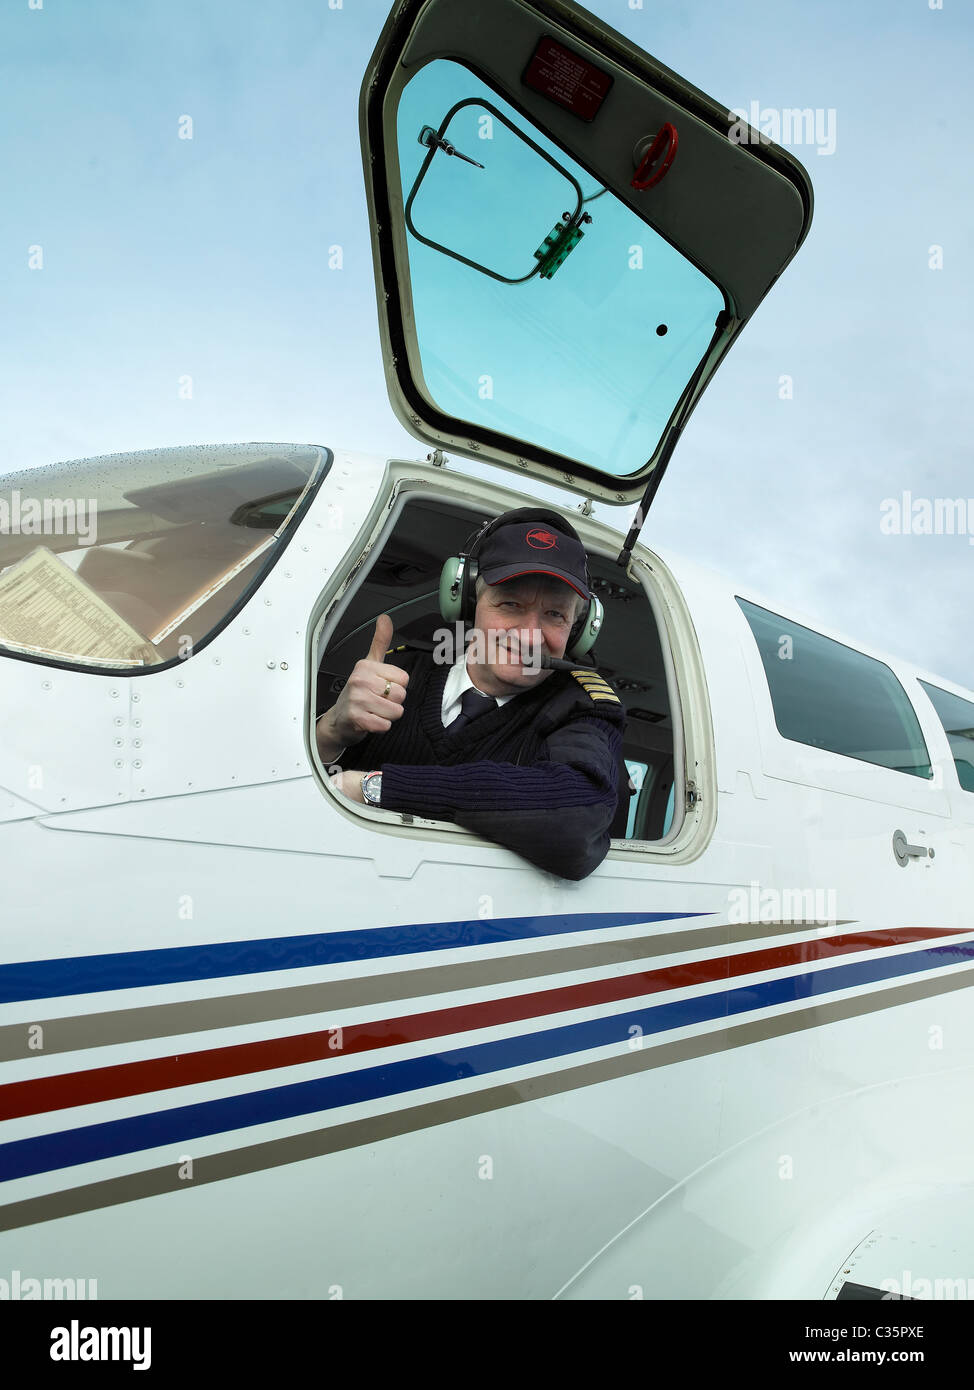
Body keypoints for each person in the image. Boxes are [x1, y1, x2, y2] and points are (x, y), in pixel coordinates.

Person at [315, 510, 625, 880]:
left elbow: (577, 819)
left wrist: (378, 787)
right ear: (467, 601)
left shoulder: (585, 707)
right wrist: (331, 731)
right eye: (510, 604)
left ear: (577, 631)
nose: (529, 635)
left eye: (555, 615)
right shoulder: (402, 672)